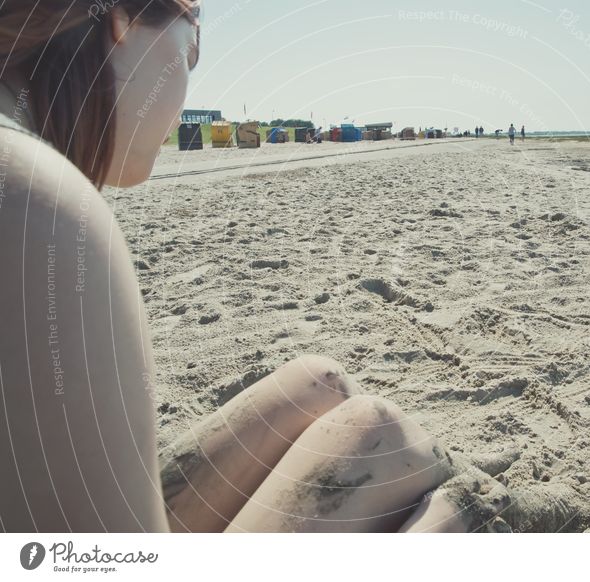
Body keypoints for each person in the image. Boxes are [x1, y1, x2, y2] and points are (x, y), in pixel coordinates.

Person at [0, 0, 479, 533]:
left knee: (315, 384)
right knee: (399, 457)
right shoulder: (33, 202)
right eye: (191, 52)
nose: (184, 96)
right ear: (121, 23)